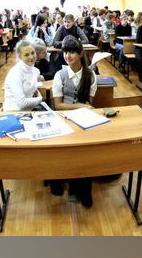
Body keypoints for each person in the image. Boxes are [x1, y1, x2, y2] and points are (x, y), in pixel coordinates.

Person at [49, 36, 98, 207]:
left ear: (80, 54)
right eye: (65, 52)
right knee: (66, 150)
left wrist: (84, 108)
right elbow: (58, 105)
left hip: (84, 118)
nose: (67, 56)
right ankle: (68, 184)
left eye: (72, 52)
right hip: (63, 117)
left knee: (86, 151)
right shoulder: (60, 75)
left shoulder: (90, 75)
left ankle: (83, 188)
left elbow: (90, 103)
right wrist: (81, 106)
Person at [2, 40, 43, 111]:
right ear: (20, 57)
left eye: (33, 53)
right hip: (13, 112)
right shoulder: (15, 73)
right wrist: (40, 99)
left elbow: (30, 86)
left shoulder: (35, 71)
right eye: (26, 55)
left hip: (29, 110)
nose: (31, 57)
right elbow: (22, 103)